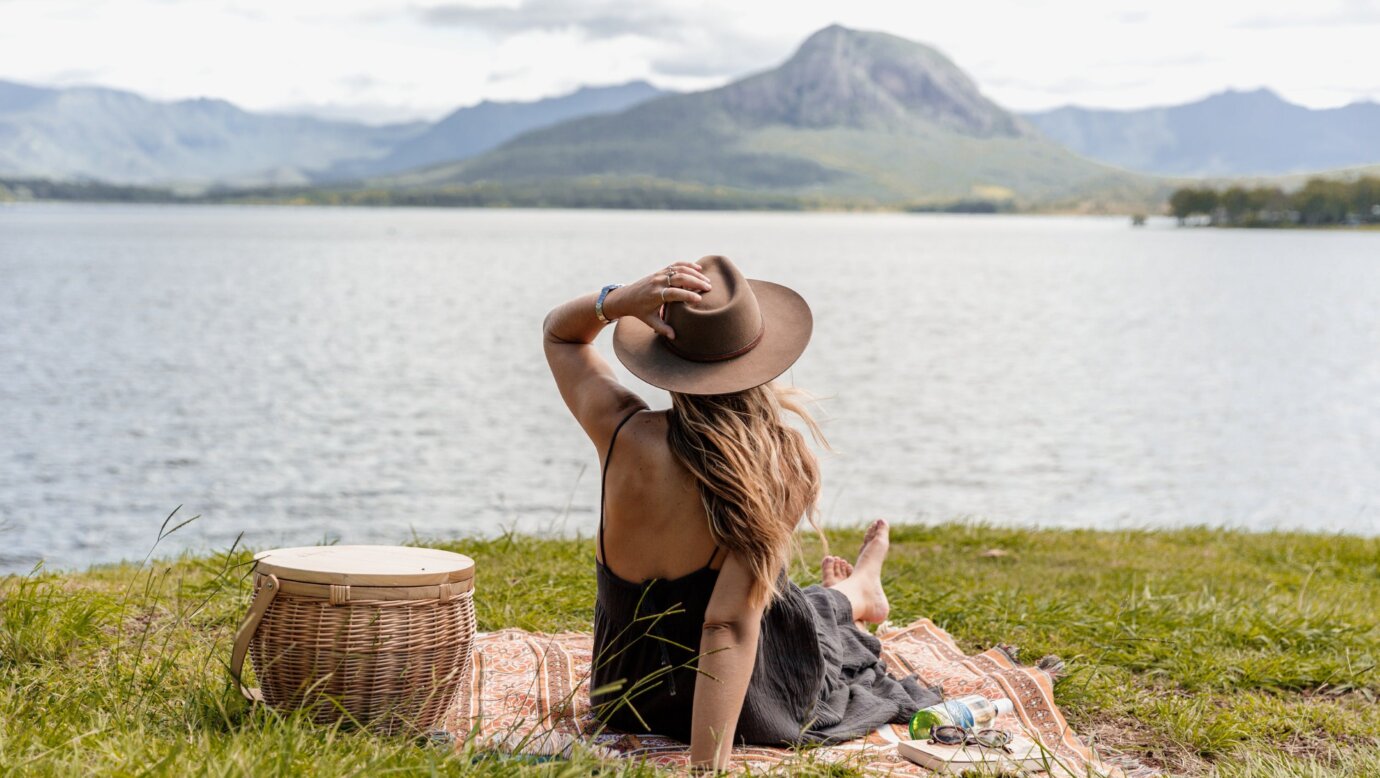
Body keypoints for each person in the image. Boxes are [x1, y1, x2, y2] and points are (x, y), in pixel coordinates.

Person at [542, 255, 938, 771]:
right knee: (792, 613)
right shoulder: (777, 466)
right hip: (745, 707)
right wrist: (707, 769)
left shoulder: (620, 430)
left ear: (666, 358)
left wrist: (616, 302)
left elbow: (561, 336)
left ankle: (858, 592)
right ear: (760, 360)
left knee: (786, 604)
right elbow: (726, 627)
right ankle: (860, 591)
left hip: (624, 697)